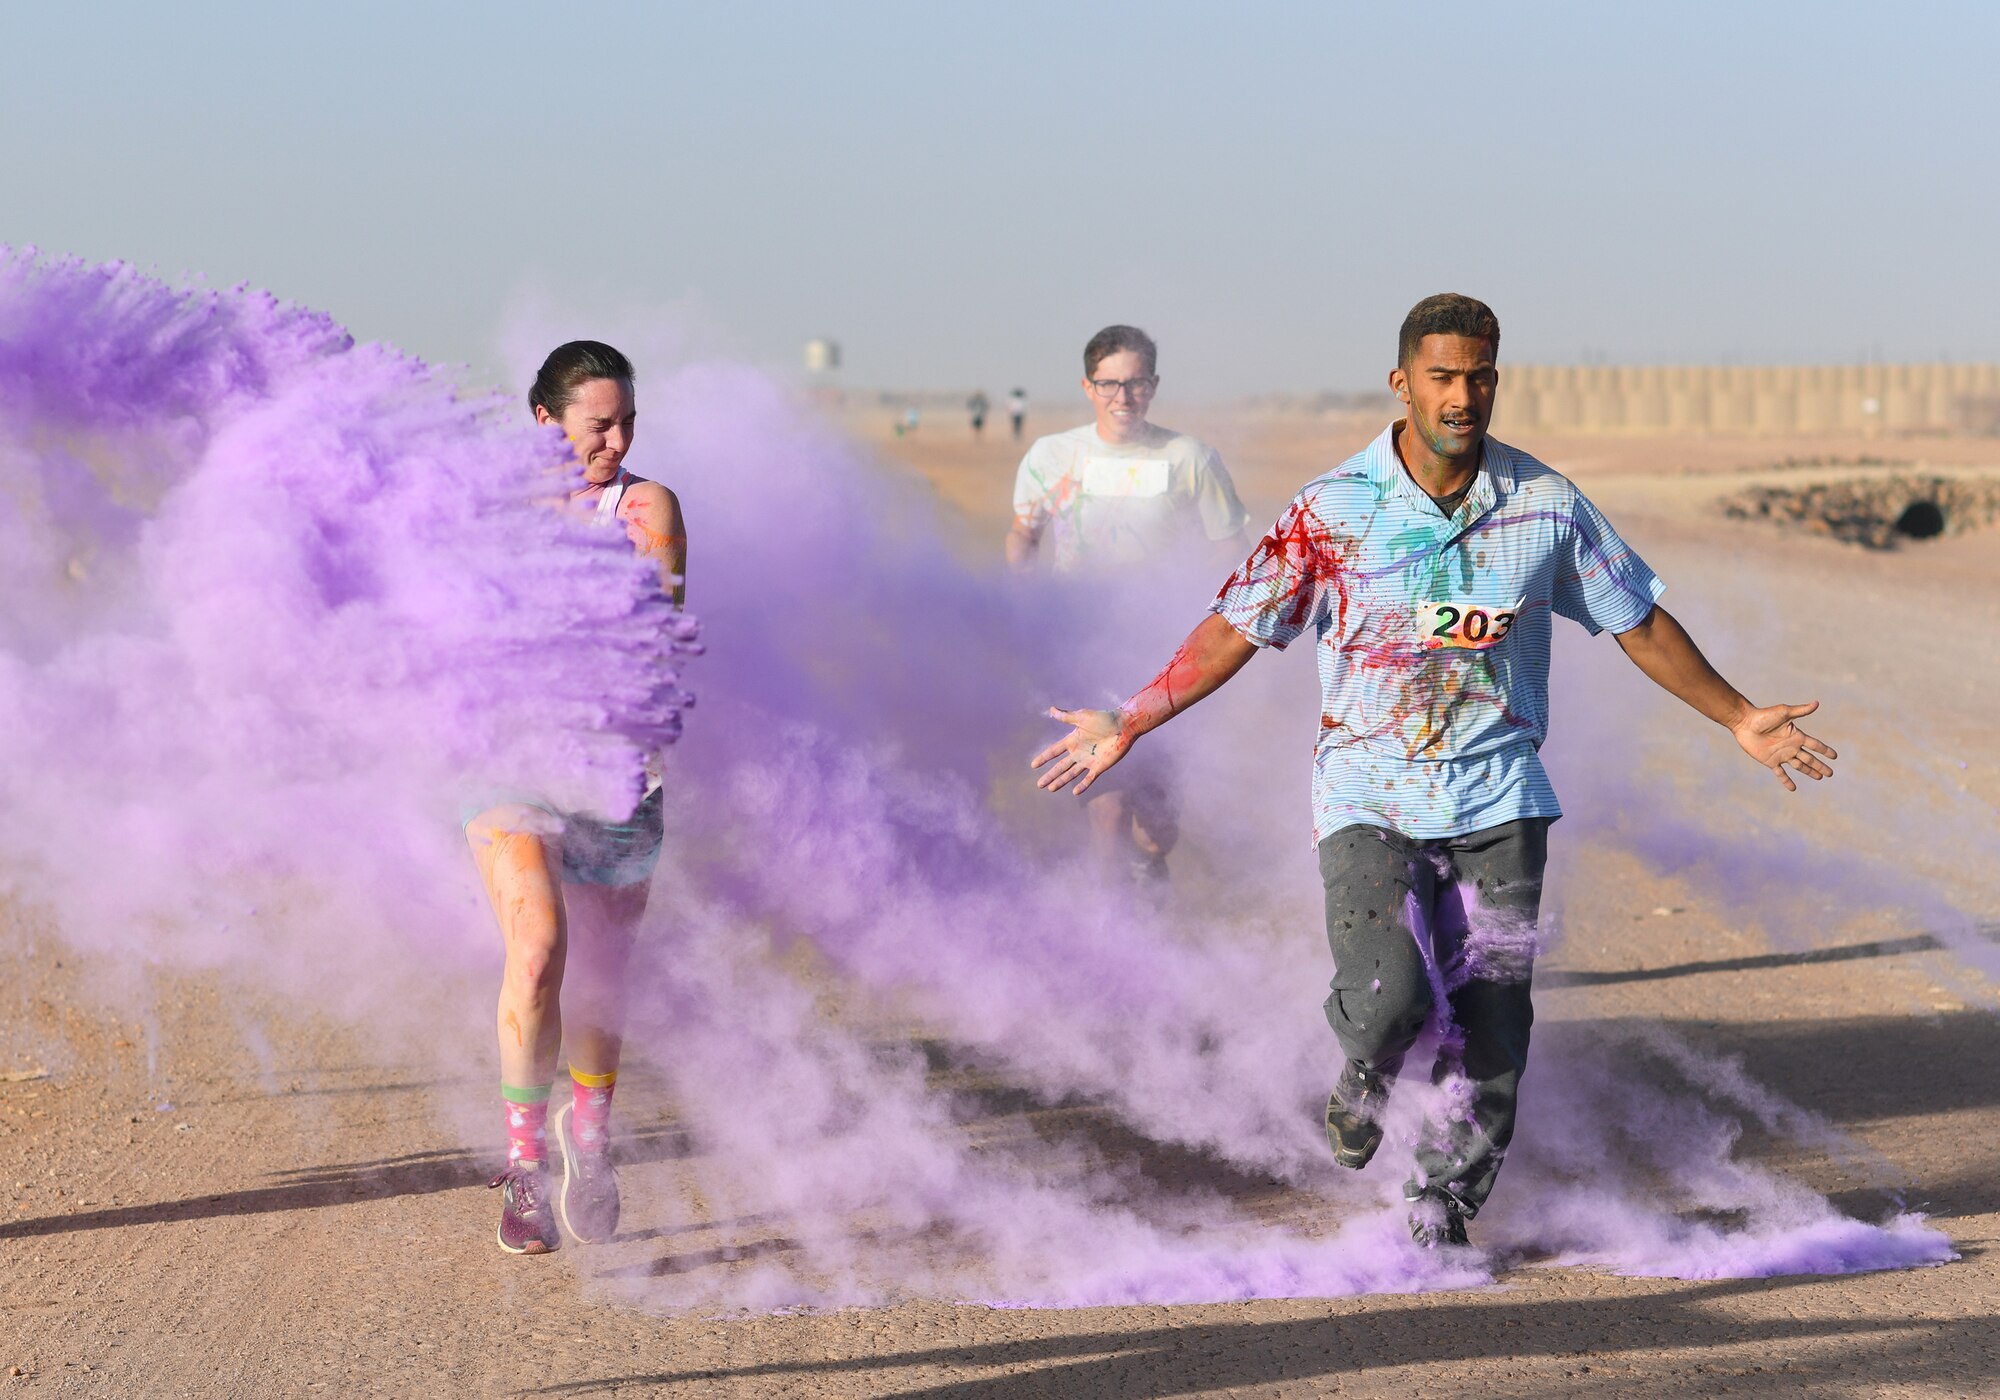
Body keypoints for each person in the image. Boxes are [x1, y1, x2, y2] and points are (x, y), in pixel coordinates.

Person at [1031, 295, 1835, 1248]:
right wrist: (1132, 715)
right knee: (1392, 997)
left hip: (1501, 796)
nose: (1464, 396)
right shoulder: (1332, 510)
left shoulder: (1546, 505)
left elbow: (1640, 621)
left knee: (1496, 1021)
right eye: (1444, 377)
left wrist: (1738, 715)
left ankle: (1442, 1206)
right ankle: (1365, 1065)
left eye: (1481, 376)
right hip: (1368, 793)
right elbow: (1234, 629)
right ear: (1402, 381)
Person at [466, 340, 687, 1255]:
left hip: (615, 771)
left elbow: (659, 620)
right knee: (540, 947)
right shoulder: (487, 509)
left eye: (628, 421)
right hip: (508, 766)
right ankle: (524, 1167)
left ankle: (588, 1139)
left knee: (602, 977)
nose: (618, 438)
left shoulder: (644, 506)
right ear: (545, 419)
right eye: (600, 423)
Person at [1007, 325, 1249, 882]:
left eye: (1136, 383)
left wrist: (1218, 633)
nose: (1123, 397)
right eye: (1109, 383)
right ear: (1088, 386)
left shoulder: (1190, 458)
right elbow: (1024, 536)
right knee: (1106, 804)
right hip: (1080, 643)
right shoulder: (1052, 456)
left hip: (1163, 651)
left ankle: (1148, 868)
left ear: (1154, 385)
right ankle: (1115, 926)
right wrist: (1021, 603)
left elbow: (1231, 550)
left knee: (1155, 829)